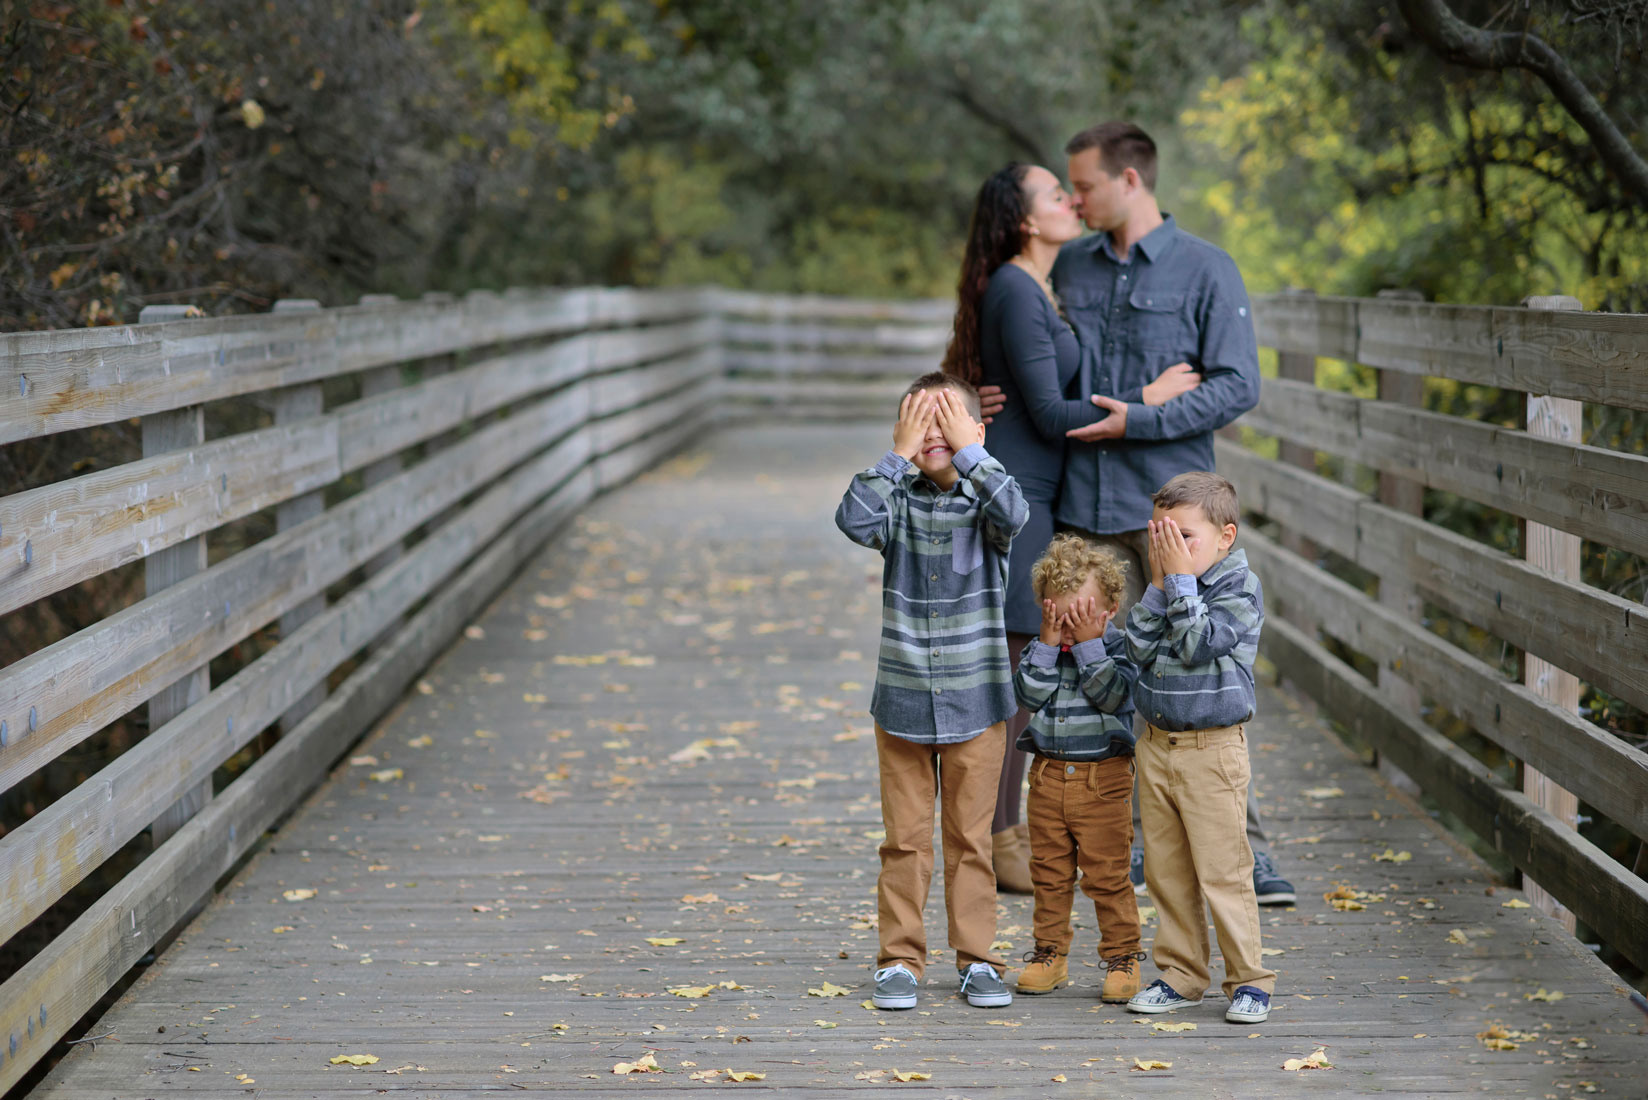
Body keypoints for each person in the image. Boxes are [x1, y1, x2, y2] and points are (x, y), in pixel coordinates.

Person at [975, 120, 1294, 906]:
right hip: (1080, 511)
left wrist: (1139, 421)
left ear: (1131, 181)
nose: (1075, 199)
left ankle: (1246, 852)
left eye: (1083, 186)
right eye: (1067, 189)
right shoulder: (1063, 267)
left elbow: (1238, 384)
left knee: (1201, 674)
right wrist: (979, 397)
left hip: (1171, 514)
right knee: (1102, 678)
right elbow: (1029, 361)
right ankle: (1126, 845)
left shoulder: (1206, 270)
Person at [942, 162, 1201, 896]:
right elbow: (1053, 414)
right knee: (1018, 677)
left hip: (1037, 495)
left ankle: (1004, 833)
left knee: (1024, 669)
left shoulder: (1035, 287)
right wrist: (1143, 400)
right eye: (1057, 194)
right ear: (1026, 218)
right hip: (1019, 498)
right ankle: (1000, 839)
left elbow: (1026, 399)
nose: (1071, 200)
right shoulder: (1016, 289)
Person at [834, 373, 1028, 1011]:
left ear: (978, 432)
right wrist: (898, 454)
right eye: (923, 423)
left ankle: (977, 959)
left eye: (949, 421)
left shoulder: (986, 500)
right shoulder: (896, 500)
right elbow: (853, 520)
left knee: (973, 840)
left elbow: (1015, 512)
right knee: (905, 841)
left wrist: (969, 450)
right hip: (904, 702)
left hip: (978, 704)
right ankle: (899, 959)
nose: (935, 435)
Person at [1124, 472, 1274, 1024]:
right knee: (1167, 870)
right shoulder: (1167, 583)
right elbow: (1137, 647)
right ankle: (1182, 973)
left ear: (1226, 535)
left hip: (1212, 750)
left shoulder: (1240, 588)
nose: (1171, 550)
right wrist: (1161, 584)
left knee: (1223, 870)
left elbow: (1197, 644)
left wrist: (1180, 584)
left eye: (1184, 537)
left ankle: (1250, 979)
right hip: (1157, 745)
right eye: (1161, 537)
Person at [1010, 535, 1144, 1003]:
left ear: (1109, 610)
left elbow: (1115, 697)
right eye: (1058, 618)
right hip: (1047, 777)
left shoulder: (1121, 649)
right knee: (1047, 873)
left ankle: (1123, 957)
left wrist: (1090, 648)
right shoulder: (1041, 650)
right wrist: (1047, 646)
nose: (1069, 629)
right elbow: (1026, 697)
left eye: (1081, 618)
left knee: (1107, 876)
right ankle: (1049, 955)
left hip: (1102, 782)